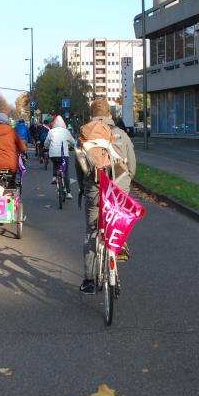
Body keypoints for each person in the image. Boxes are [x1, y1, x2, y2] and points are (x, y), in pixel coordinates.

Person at [77, 98, 136, 294]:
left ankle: (89, 281)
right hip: (119, 189)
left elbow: (80, 167)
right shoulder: (122, 135)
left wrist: (84, 188)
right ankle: (118, 247)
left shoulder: (85, 134)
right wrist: (125, 185)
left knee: (92, 232)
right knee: (116, 220)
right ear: (110, 115)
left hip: (94, 187)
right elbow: (132, 168)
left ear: (92, 116)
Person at [44, 115, 76, 199]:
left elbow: (46, 142)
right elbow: (73, 142)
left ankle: (54, 177)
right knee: (66, 172)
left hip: (53, 155)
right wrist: (75, 146)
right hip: (64, 155)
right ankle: (68, 192)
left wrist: (46, 146)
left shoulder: (51, 131)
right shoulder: (66, 132)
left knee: (56, 162)